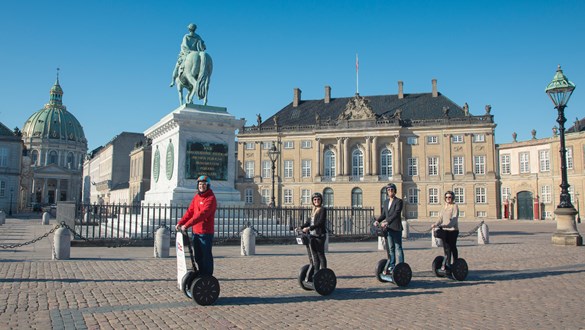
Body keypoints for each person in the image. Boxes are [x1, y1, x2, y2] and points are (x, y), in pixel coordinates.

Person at [176, 175, 217, 276]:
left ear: (208, 186)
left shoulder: (211, 199)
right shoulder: (197, 197)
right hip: (196, 232)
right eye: (200, 184)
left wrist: (187, 225)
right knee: (197, 255)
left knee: (205, 255)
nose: (201, 186)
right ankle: (201, 272)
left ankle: (207, 275)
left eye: (203, 184)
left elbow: (202, 215)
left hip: (205, 232)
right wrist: (181, 222)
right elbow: (190, 212)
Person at [373, 183, 404, 274]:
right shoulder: (386, 202)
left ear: (395, 191)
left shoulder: (399, 201)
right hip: (388, 229)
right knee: (391, 248)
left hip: (396, 228)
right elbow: (384, 214)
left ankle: (401, 265)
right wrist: (378, 221)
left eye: (392, 189)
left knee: (398, 247)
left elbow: (396, 213)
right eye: (388, 190)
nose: (390, 191)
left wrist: (387, 221)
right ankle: (392, 265)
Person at [301, 192, 328, 281]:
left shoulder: (323, 209)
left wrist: (309, 228)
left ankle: (324, 273)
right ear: (313, 201)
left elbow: (320, 223)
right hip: (312, 235)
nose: (316, 201)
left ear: (321, 200)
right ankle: (316, 274)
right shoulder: (313, 209)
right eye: (315, 199)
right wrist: (301, 227)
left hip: (320, 235)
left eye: (318, 199)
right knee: (315, 256)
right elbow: (309, 221)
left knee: (320, 254)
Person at [432, 190, 459, 274]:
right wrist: (435, 224)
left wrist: (448, 225)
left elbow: (454, 218)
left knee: (452, 247)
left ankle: (456, 263)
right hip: (444, 231)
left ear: (452, 198)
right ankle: (447, 264)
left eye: (450, 197)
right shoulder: (443, 206)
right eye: (447, 197)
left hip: (453, 230)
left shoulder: (454, 206)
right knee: (446, 248)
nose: (448, 199)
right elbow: (440, 218)